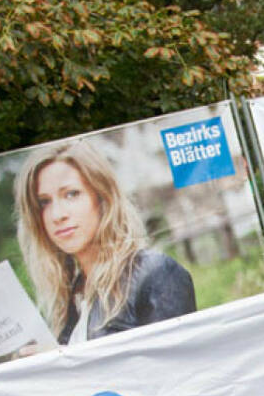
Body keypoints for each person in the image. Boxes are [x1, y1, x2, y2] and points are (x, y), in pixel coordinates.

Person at [15, 140, 196, 345]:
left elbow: (174, 370)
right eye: (44, 202)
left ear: (101, 198)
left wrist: (65, 364)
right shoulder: (71, 298)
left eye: (71, 194)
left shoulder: (155, 273)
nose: (57, 215)